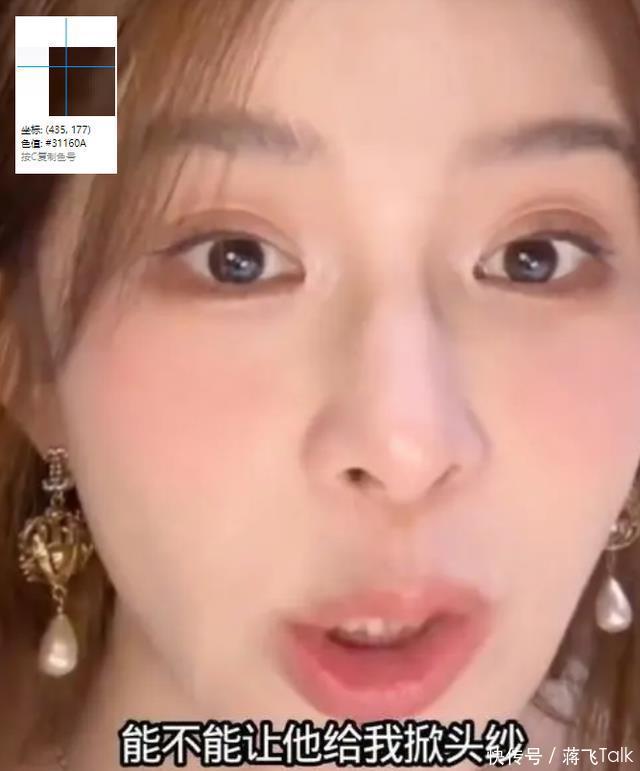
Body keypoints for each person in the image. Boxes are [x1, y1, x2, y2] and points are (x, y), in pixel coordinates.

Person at [2, 0, 640, 768]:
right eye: (234, 260)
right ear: (27, 357)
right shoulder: (62, 49)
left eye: (534, 258)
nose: (406, 451)